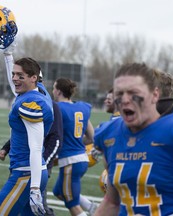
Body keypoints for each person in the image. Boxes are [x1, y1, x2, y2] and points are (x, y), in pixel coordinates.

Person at [93, 63, 173, 216]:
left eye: (133, 92)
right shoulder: (110, 134)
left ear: (155, 95)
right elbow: (112, 202)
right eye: (119, 94)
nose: (125, 100)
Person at [0, 57, 54, 216]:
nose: (14, 79)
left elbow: (36, 147)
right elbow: (18, 82)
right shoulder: (39, 91)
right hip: (34, 171)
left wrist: (34, 189)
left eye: (20, 76)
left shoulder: (30, 103)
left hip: (26, 173)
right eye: (13, 74)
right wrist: (8, 53)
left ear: (33, 78)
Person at [0, 100, 63, 216]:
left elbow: (54, 139)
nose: (15, 80)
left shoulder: (46, 104)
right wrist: (6, 148)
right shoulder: (25, 100)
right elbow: (22, 133)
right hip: (25, 165)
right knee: (30, 210)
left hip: (29, 167)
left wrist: (44, 164)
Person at [52, 77, 97, 216]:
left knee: (72, 204)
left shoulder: (58, 108)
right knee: (58, 192)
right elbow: (91, 137)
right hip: (81, 159)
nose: (52, 91)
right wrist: (76, 141)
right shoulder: (82, 107)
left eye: (54, 88)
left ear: (58, 91)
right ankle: (91, 207)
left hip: (71, 161)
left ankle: (90, 211)